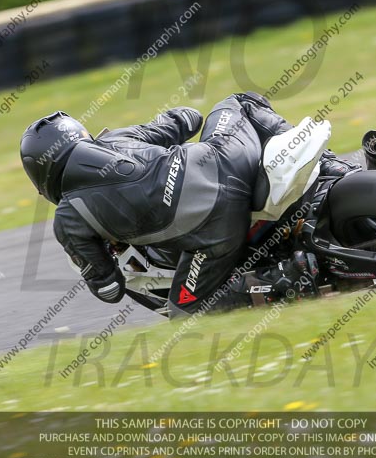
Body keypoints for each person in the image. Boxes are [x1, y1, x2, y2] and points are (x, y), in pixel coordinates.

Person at [20, 91, 357, 316]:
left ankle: (293, 275)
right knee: (239, 101)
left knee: (187, 311)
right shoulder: (117, 138)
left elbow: (109, 288)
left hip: (213, 229)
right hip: (227, 157)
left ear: (41, 174)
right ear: (82, 134)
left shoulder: (68, 217)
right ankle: (332, 169)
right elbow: (189, 117)